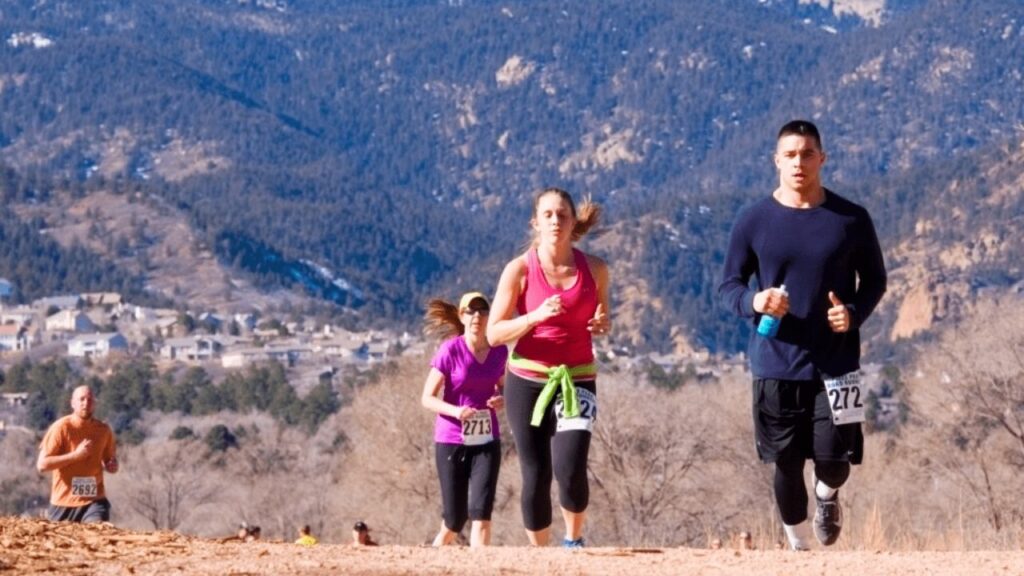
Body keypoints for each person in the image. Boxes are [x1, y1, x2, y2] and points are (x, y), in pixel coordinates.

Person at [718, 120, 886, 550]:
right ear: (776, 161)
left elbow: (875, 281)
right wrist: (755, 302)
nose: (799, 162)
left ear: (822, 159)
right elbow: (729, 287)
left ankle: (828, 494)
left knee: (834, 460)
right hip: (776, 360)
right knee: (786, 463)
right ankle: (798, 546)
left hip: (838, 362)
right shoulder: (753, 219)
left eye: (807, 154)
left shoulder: (850, 218)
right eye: (790, 155)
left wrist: (852, 313)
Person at [487, 187, 611, 548]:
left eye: (562, 214)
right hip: (527, 380)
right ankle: (540, 556)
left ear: (574, 222)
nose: (556, 220)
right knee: (536, 472)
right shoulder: (520, 269)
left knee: (571, 466)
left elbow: (604, 318)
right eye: (548, 215)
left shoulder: (597, 269)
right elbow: (495, 333)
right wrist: (535, 317)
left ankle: (573, 541)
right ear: (535, 222)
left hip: (578, 378)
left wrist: (603, 325)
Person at [421, 292, 508, 548]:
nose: (477, 316)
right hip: (451, 440)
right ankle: (434, 554)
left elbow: (503, 388)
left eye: (482, 311)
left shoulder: (499, 351)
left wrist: (501, 398)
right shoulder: (450, 350)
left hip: (486, 439)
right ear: (462, 316)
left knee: (482, 513)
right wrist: (456, 411)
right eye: (471, 311)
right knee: (454, 519)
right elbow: (427, 398)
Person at [36, 385, 118, 523]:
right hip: (63, 502)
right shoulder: (61, 428)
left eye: (90, 400)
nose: (86, 403)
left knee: (97, 532)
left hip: (94, 501)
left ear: (95, 404)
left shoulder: (103, 430)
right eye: (81, 399)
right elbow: (42, 465)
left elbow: (109, 460)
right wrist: (75, 456)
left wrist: (112, 466)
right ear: (72, 403)